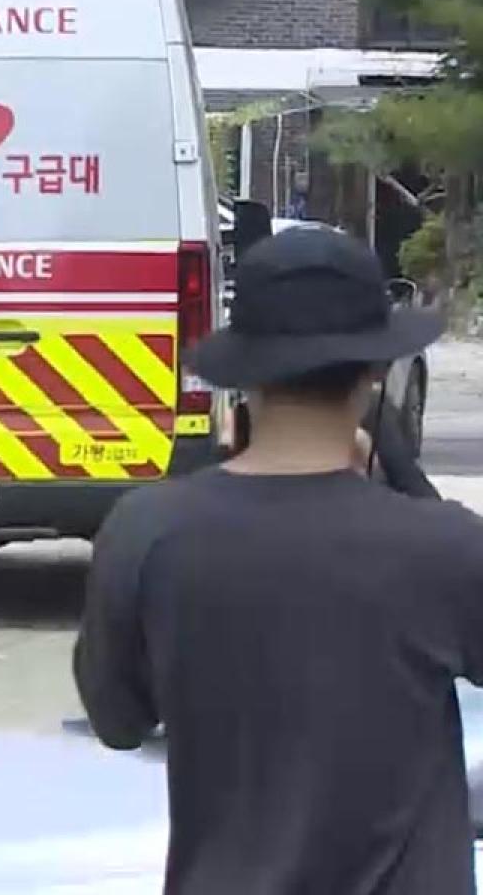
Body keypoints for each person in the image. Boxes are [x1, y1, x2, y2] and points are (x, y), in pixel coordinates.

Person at [73, 227, 473, 894]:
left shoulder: (146, 533)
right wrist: (395, 475)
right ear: (374, 373)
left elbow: (118, 721)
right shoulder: (444, 548)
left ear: (246, 373)